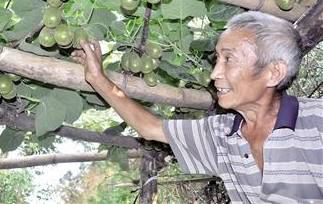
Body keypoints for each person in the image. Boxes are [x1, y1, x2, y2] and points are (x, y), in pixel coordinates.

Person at [71, 11, 323, 203]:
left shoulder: (317, 121)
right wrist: (98, 79)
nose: (214, 73)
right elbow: (150, 127)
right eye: (217, 59)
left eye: (229, 59)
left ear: (273, 73)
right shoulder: (220, 134)